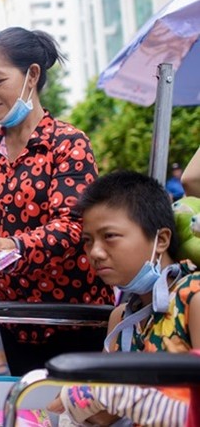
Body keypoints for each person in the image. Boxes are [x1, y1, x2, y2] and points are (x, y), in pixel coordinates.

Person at [0, 26, 115, 376]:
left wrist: (13, 245)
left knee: (73, 412)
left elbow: (73, 226)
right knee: (28, 411)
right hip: (11, 316)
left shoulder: (68, 144)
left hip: (73, 316)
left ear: (32, 76)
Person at [47, 170, 198, 426]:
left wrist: (115, 395)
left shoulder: (192, 298)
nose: (95, 252)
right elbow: (104, 415)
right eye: (88, 240)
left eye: (110, 237)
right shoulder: (121, 319)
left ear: (160, 240)